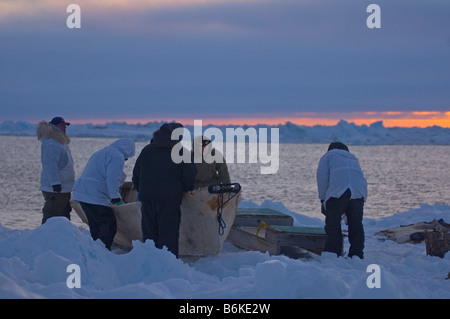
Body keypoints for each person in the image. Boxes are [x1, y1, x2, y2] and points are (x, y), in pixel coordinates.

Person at [132, 122, 197, 258]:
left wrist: (142, 191)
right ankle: (169, 268)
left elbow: (136, 174)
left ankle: (149, 264)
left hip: (148, 200)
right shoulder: (182, 153)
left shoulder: (147, 150)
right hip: (170, 201)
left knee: (149, 236)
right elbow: (189, 176)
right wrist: (186, 189)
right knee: (169, 237)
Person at [72, 139, 135, 250]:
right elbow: (112, 178)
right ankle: (103, 251)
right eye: (127, 157)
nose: (126, 159)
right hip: (94, 195)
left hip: (82, 193)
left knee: (95, 225)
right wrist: (115, 197)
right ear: (127, 151)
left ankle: (95, 250)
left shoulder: (103, 152)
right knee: (109, 224)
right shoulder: (117, 156)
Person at [316, 142, 368, 259]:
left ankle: (332, 254)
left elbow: (322, 177)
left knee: (333, 224)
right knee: (356, 224)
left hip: (337, 191)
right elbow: (359, 177)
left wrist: (323, 199)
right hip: (358, 192)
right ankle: (357, 255)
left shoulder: (328, 156)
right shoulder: (353, 157)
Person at [37, 116, 75, 224]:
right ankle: (46, 237)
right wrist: (55, 183)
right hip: (55, 189)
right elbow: (50, 165)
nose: (64, 128)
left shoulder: (59, 142)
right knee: (52, 214)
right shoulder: (52, 143)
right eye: (62, 125)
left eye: (65, 125)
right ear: (55, 126)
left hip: (64, 188)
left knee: (63, 214)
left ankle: (62, 238)